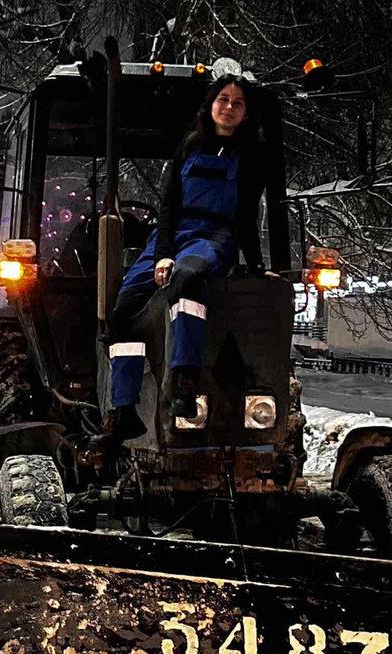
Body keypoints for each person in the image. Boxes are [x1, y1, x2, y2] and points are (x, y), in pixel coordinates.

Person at [104, 75, 272, 439]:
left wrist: (257, 267)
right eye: (223, 99)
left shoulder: (251, 156)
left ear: (245, 113)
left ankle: (184, 382)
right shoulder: (189, 146)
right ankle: (123, 408)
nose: (229, 107)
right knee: (123, 308)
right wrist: (162, 253)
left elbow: (245, 216)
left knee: (188, 276)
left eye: (237, 103)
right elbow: (168, 207)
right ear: (211, 104)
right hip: (174, 235)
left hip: (214, 236)